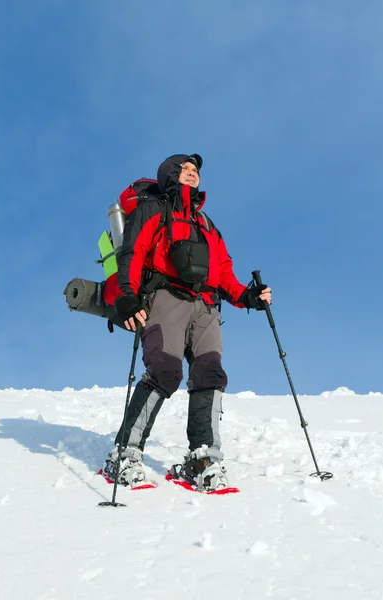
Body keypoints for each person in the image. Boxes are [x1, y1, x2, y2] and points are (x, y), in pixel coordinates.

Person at [102, 153, 272, 490]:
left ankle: (202, 459)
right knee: (165, 371)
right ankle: (124, 453)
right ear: (170, 174)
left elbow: (224, 273)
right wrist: (126, 295)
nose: (192, 175)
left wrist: (248, 297)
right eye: (185, 170)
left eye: (195, 171)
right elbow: (132, 253)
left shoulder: (207, 224)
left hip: (207, 305)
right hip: (166, 297)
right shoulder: (153, 211)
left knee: (210, 374)